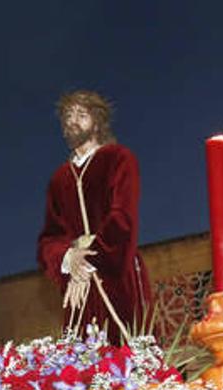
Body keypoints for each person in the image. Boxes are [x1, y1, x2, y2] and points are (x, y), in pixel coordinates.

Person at [37, 90, 152, 342]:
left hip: (116, 273)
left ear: (97, 122)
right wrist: (68, 257)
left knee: (126, 355)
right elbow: (49, 238)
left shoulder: (119, 159)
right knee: (81, 365)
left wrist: (87, 259)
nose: (72, 120)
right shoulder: (59, 179)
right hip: (77, 288)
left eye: (81, 114)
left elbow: (122, 218)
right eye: (68, 115)